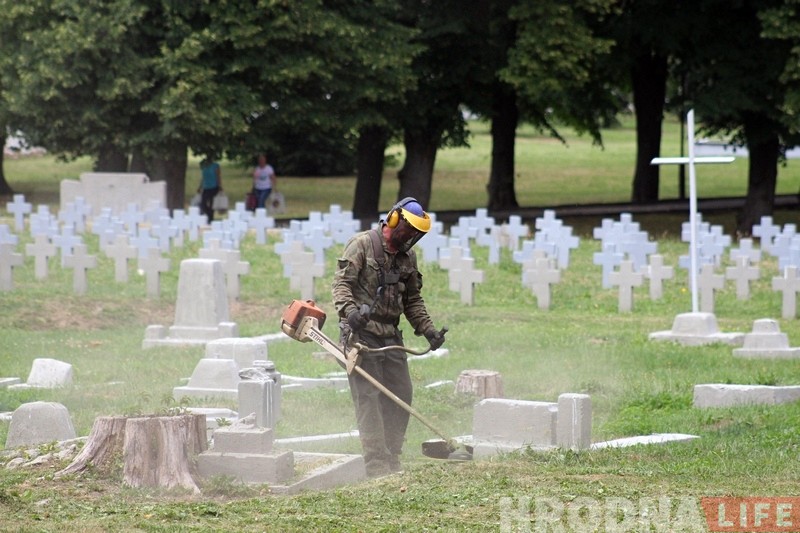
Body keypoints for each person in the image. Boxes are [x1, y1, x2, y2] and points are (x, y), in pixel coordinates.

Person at [332, 197, 446, 478]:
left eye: (416, 234)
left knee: (401, 393)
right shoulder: (362, 245)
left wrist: (428, 330)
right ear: (394, 220)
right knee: (369, 399)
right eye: (408, 230)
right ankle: (376, 464)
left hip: (390, 335)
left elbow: (412, 300)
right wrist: (351, 313)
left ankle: (392, 455)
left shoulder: (408, 257)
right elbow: (342, 285)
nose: (410, 238)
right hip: (361, 335)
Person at [198, 157, 222, 223]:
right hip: (206, 187)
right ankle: (209, 215)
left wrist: (219, 185)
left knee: (211, 203)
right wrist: (200, 186)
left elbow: (218, 176)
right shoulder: (204, 166)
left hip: (214, 187)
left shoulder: (216, 166)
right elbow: (203, 177)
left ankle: (211, 219)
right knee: (203, 203)